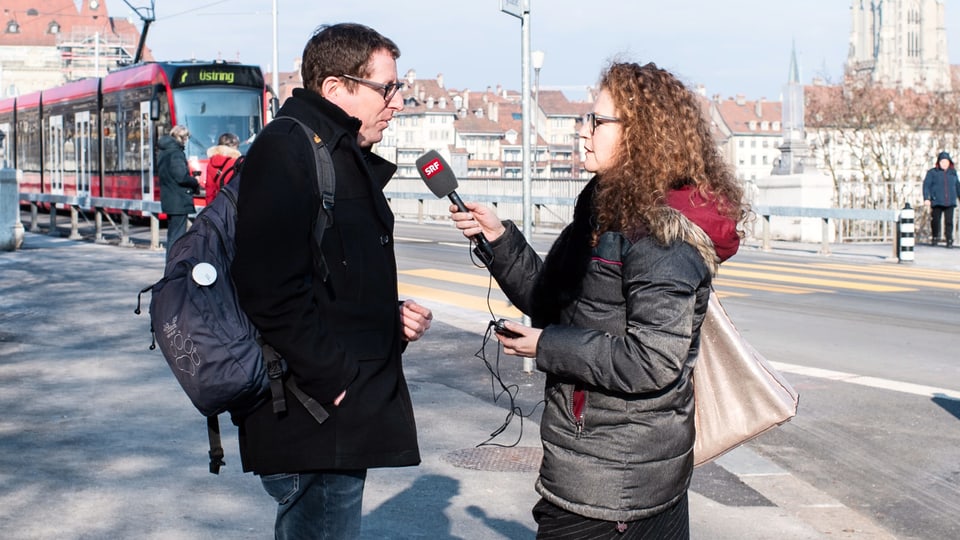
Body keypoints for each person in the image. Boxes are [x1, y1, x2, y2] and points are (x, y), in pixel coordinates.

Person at [449, 61, 747, 538]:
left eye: (597, 121)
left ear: (642, 134)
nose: (583, 132)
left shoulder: (659, 235)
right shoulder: (606, 209)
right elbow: (554, 303)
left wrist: (545, 346)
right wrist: (500, 240)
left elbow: (653, 360)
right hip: (595, 470)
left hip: (615, 490)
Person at [230, 23, 433, 540]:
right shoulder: (288, 148)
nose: (397, 102)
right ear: (335, 88)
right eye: (386, 88)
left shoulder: (332, 151)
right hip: (312, 413)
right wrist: (335, 377)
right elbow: (267, 286)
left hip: (330, 412)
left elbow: (330, 276)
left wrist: (389, 316)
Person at [157, 124, 200, 252]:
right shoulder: (176, 154)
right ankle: (173, 266)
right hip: (179, 200)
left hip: (169, 198)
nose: (187, 140)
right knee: (177, 237)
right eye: (186, 137)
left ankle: (171, 265)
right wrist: (194, 181)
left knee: (172, 235)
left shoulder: (164, 152)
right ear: (181, 137)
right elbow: (181, 177)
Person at [922, 151, 960, 248]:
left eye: (946, 162)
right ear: (938, 162)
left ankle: (949, 240)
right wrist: (926, 198)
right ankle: (935, 237)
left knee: (949, 222)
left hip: (950, 201)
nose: (944, 164)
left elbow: (957, 186)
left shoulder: (953, 173)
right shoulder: (932, 173)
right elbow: (926, 186)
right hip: (936, 200)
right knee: (935, 220)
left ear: (949, 162)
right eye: (942, 162)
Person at [204, 132, 241, 206]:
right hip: (234, 203)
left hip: (218, 205)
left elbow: (210, 189)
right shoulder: (237, 162)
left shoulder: (212, 162)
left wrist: (210, 207)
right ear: (234, 146)